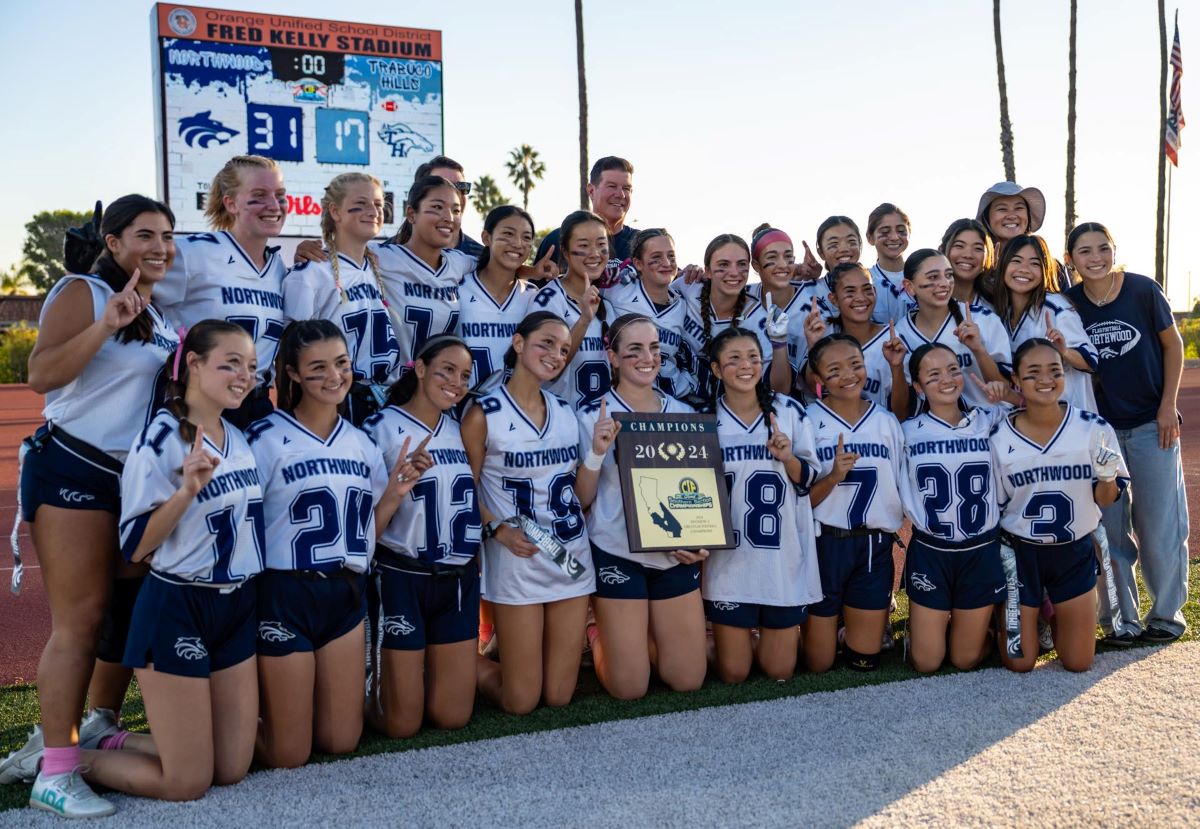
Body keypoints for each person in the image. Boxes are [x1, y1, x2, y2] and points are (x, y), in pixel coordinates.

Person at [3, 197, 181, 818]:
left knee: (123, 614)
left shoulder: (158, 311)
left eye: (167, 235)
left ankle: (96, 726)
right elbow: (42, 375)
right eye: (144, 235)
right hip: (74, 464)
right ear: (111, 240)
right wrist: (105, 324)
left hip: (130, 480)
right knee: (79, 620)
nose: (159, 246)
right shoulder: (79, 290)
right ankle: (53, 772)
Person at [82, 321, 265, 804]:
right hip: (179, 607)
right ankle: (57, 758)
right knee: (186, 782)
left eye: (250, 365)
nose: (244, 375)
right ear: (193, 365)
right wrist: (185, 491)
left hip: (235, 607)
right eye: (229, 364)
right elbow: (136, 547)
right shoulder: (162, 438)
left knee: (230, 768)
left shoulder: (237, 436)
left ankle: (107, 738)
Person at [247, 321, 410, 767]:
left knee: (340, 741)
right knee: (289, 754)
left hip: (345, 594)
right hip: (285, 594)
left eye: (340, 363)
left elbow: (366, 537)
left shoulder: (361, 443)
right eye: (317, 368)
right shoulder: (263, 439)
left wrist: (394, 494)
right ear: (293, 374)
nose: (335, 376)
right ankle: (225, 730)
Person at [463, 312, 594, 714]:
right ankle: (460, 662)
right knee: (520, 701)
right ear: (518, 343)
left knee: (557, 697)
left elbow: (581, 497)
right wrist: (496, 529)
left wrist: (599, 453)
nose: (556, 354)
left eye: (564, 348)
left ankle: (506, 646)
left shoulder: (565, 411)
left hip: (568, 555)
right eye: (546, 343)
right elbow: (464, 488)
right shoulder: (482, 412)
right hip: (516, 557)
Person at [1064, 222, 1189, 643]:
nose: (1095, 257)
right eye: (1085, 251)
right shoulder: (1070, 303)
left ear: (1114, 250)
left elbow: (1173, 345)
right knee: (1110, 529)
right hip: (1101, 433)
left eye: (1103, 248)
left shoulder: (1142, 289)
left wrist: (1168, 405)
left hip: (1152, 425)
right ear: (1071, 260)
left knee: (1159, 525)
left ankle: (1167, 616)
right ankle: (1121, 619)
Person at [574, 315, 707, 698]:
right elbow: (583, 499)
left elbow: (697, 496)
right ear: (612, 357)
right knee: (628, 687)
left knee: (687, 680)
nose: (647, 357)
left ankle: (640, 634)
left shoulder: (684, 415)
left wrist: (699, 542)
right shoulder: (590, 416)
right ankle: (597, 631)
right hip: (617, 551)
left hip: (672, 556)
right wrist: (597, 454)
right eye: (634, 349)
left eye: (653, 348)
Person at [363, 335, 481, 737]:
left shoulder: (463, 428)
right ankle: (348, 694)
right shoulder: (381, 427)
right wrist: (397, 487)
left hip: (458, 581)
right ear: (421, 367)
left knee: (452, 717)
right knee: (401, 724)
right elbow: (366, 531)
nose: (456, 381)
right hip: (402, 577)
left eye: (465, 375)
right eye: (447, 369)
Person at [991, 339, 1128, 672]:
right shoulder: (1000, 437)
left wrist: (1107, 477)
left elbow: (1105, 500)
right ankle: (1026, 613)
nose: (1045, 380)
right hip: (1019, 554)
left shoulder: (1093, 429)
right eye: (1033, 372)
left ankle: (1052, 613)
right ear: (1016, 381)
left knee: (1078, 662)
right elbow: (997, 508)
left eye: (1054, 371)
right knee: (1020, 661)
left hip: (1073, 550)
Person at [703, 327, 822, 682]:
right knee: (734, 673)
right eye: (734, 359)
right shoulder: (703, 417)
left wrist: (788, 459)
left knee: (779, 671)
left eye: (753, 357)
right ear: (715, 369)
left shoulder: (789, 411)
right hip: (729, 563)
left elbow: (809, 479)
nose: (746, 366)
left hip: (781, 558)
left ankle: (767, 637)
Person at [899, 343, 1019, 672]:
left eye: (953, 370)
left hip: (980, 548)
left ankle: (986, 626)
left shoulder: (989, 420)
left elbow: (1034, 409)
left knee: (965, 660)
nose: (947, 379)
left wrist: (1007, 393)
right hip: (932, 549)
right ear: (918, 386)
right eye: (934, 374)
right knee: (926, 662)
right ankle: (937, 627)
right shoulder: (906, 433)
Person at [157, 155, 287, 428]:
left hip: (257, 404)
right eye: (259, 195)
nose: (274, 205)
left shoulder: (278, 268)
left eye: (280, 195)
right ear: (231, 203)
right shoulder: (192, 253)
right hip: (201, 404)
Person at [802, 334, 905, 674]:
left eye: (855, 365)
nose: (848, 375)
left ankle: (855, 628)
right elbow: (801, 501)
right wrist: (832, 477)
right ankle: (826, 630)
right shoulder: (808, 421)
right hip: (824, 543)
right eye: (834, 369)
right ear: (818, 379)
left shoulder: (886, 422)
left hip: (873, 545)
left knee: (864, 661)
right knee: (819, 664)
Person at [283, 172, 400, 425]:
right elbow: (290, 352)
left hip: (383, 400)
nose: (372, 211)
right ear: (335, 212)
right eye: (360, 204)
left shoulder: (378, 265)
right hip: (334, 401)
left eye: (378, 205)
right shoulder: (312, 271)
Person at [894, 249, 1011, 410]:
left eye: (948, 275)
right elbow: (903, 410)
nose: (944, 283)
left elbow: (1006, 388)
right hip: (936, 431)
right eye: (933, 277)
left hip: (992, 423)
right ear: (909, 287)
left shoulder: (982, 319)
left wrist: (978, 350)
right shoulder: (901, 334)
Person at [990, 234, 1097, 410]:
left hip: (1071, 421)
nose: (1024, 269)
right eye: (1016, 261)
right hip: (1030, 421)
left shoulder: (1056, 307)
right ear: (1003, 266)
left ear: (1045, 270)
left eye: (1034, 263)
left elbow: (1090, 361)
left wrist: (1064, 351)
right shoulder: (1001, 314)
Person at [679, 234, 789, 399]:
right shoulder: (686, 287)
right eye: (723, 264)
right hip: (680, 404)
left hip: (730, 410)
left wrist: (780, 344)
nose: (734, 272)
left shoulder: (758, 317)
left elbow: (780, 389)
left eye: (741, 264)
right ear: (707, 271)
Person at [801, 262, 910, 416]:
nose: (860, 298)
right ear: (834, 299)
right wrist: (813, 345)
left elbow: (901, 413)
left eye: (867, 290)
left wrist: (896, 367)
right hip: (830, 431)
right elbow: (815, 389)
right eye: (850, 292)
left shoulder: (891, 339)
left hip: (876, 433)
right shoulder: (824, 333)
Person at [603, 228, 697, 400]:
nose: (667, 263)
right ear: (638, 263)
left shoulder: (684, 303)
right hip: (628, 399)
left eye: (671, 256)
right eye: (656, 257)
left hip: (674, 400)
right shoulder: (619, 292)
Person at [528, 211, 609, 410]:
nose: (594, 253)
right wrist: (584, 320)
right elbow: (547, 369)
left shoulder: (609, 301)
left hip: (600, 426)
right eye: (583, 245)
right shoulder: (547, 300)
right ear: (565, 252)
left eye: (601, 244)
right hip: (559, 425)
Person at [457, 206, 538, 390]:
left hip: (513, 410)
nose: (517, 243)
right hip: (459, 407)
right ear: (487, 238)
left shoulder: (532, 297)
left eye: (526, 237)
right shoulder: (459, 288)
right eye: (508, 234)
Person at [535, 157, 637, 286]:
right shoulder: (558, 239)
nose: (620, 194)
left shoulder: (642, 244)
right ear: (591, 191)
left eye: (626, 188)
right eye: (612, 186)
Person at [974, 181, 1069, 294]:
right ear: (987, 217)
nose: (1012, 216)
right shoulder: (977, 265)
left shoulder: (1052, 267)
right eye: (1002, 209)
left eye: (1019, 208)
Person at [748, 224, 812, 381]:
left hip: (806, 401)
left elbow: (818, 385)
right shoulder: (743, 298)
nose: (783, 264)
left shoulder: (814, 301)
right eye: (772, 257)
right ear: (756, 265)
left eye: (788, 256)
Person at [413, 155, 484, 257]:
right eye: (443, 186)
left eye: (461, 188)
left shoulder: (482, 260)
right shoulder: (388, 256)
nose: (454, 196)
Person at [865, 203, 915, 324]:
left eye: (901, 230)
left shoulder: (921, 276)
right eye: (885, 231)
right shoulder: (866, 280)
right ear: (870, 237)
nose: (894, 237)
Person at [939, 218, 995, 306]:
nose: (968, 255)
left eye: (978, 248)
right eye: (959, 246)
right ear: (942, 249)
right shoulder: (923, 300)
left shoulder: (996, 309)